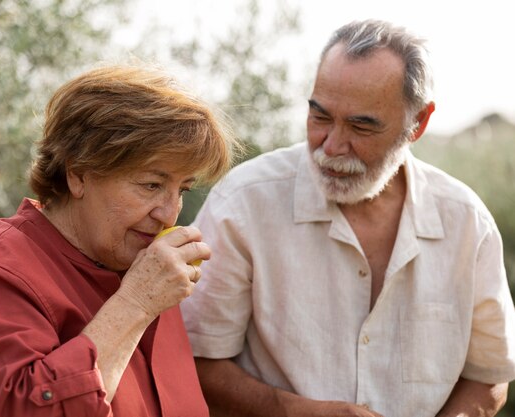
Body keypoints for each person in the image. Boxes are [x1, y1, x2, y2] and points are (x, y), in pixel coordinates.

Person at [180, 19, 515, 417]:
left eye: (361, 126)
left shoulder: (467, 223)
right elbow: (195, 361)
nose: (333, 146)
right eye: (320, 117)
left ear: (418, 124)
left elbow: (489, 376)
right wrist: (299, 412)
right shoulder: (243, 203)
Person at [0, 64, 239, 416]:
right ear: (78, 174)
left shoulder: (147, 266)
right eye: (151, 185)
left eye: (182, 190)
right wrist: (136, 304)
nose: (169, 214)